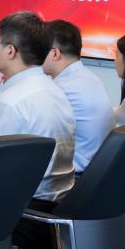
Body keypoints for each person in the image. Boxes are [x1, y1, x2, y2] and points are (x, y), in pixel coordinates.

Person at [0, 11, 76, 202]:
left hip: (24, 206)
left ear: (10, 51)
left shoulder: (10, 102)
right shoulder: (54, 89)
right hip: (57, 199)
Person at [41, 20, 112, 173]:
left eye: (39, 49)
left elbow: (37, 135)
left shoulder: (63, 88)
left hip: (74, 171)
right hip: (93, 165)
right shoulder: (88, 77)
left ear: (55, 53)